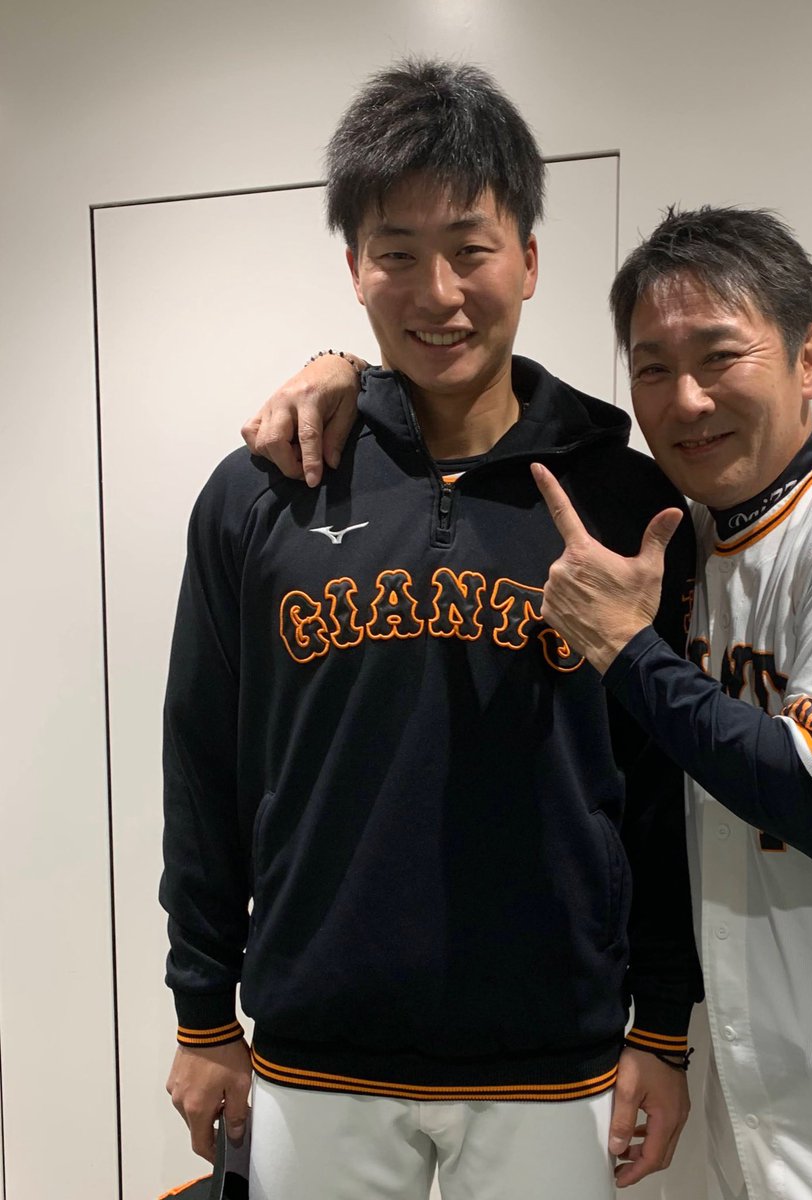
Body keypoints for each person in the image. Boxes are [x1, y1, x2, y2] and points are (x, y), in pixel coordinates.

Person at [254, 206, 812, 1198]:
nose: (687, 400)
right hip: (763, 1088)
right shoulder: (695, 542)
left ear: (809, 357)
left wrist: (625, 648)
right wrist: (344, 371)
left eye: (720, 357)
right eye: (653, 368)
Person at [161, 60, 702, 1200]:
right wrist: (202, 1014)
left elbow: (660, 785)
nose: (438, 292)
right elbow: (203, 763)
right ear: (353, 270)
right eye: (397, 253)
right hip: (316, 1052)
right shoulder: (263, 491)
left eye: (470, 248)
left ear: (530, 261)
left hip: (553, 1055)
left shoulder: (626, 501)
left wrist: (663, 1025)